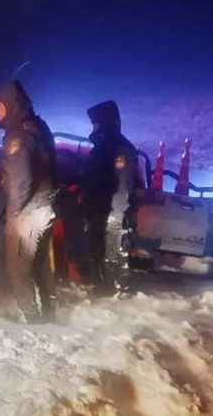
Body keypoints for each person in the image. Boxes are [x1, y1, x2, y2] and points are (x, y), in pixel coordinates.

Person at [0, 80, 57, 322]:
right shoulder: (40, 128)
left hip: (27, 211)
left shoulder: (17, 135)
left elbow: (21, 178)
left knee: (19, 268)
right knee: (41, 266)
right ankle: (50, 314)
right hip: (45, 206)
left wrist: (16, 211)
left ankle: (30, 319)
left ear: (10, 105)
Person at [82, 100, 139, 289]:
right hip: (101, 211)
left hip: (112, 213)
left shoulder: (117, 147)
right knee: (100, 253)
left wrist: (114, 215)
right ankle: (103, 289)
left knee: (112, 255)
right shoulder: (103, 147)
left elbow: (121, 185)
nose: (94, 127)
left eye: (96, 122)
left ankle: (113, 293)